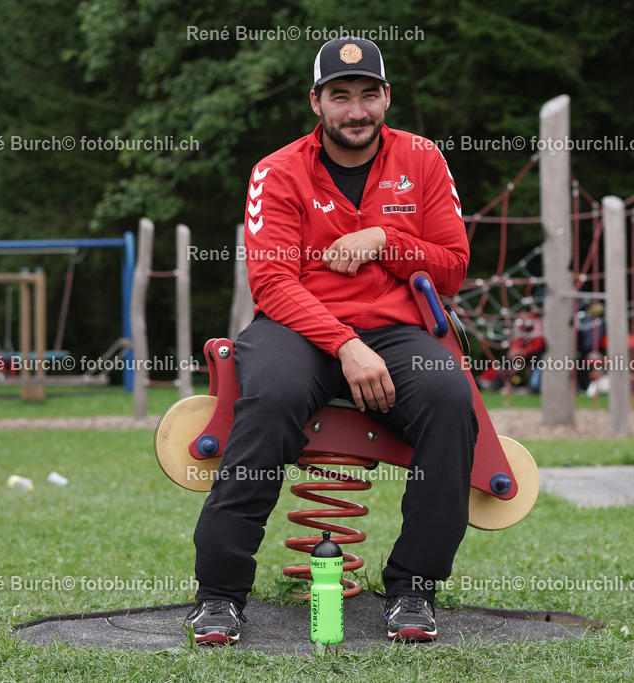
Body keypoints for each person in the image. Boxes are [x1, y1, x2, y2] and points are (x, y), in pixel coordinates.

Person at [183, 37, 476, 645]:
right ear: (316, 102)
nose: (356, 110)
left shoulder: (422, 158)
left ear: (387, 97)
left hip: (397, 330)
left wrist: (383, 239)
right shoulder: (277, 170)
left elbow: (452, 266)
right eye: (340, 96)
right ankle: (219, 595)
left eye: (369, 94)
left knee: (452, 399)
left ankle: (413, 593)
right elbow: (271, 283)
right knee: (270, 398)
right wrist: (344, 344)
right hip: (298, 328)